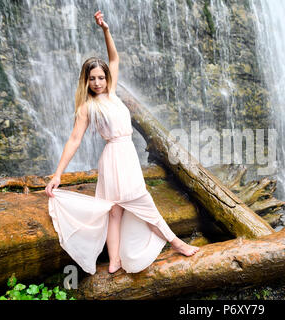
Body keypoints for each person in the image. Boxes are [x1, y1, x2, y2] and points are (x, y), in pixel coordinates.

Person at [45, 10, 199, 275]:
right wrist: (58, 173)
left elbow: (114, 57)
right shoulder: (87, 107)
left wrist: (105, 29)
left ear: (106, 78)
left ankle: (123, 256)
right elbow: (74, 139)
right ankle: (168, 245)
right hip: (113, 156)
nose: (97, 82)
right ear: (86, 80)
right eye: (92, 78)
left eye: (100, 77)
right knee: (121, 208)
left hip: (126, 153)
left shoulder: (113, 91)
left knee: (124, 206)